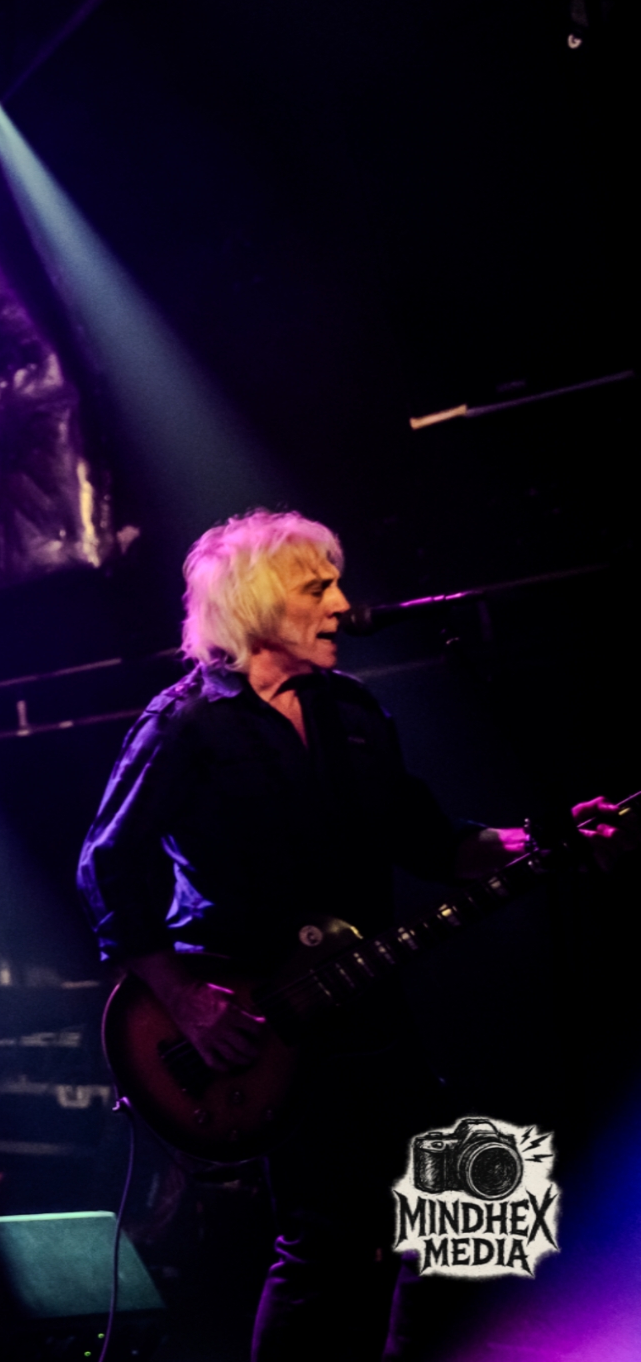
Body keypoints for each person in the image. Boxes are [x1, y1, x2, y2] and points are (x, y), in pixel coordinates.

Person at [76, 509, 618, 1359]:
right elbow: (106, 862)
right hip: (260, 1026)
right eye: (317, 587)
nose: (341, 603)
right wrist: (184, 998)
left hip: (367, 1009)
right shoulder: (186, 723)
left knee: (474, 1215)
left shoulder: (355, 711)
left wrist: (540, 839)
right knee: (326, 1238)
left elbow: (433, 841)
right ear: (256, 601)